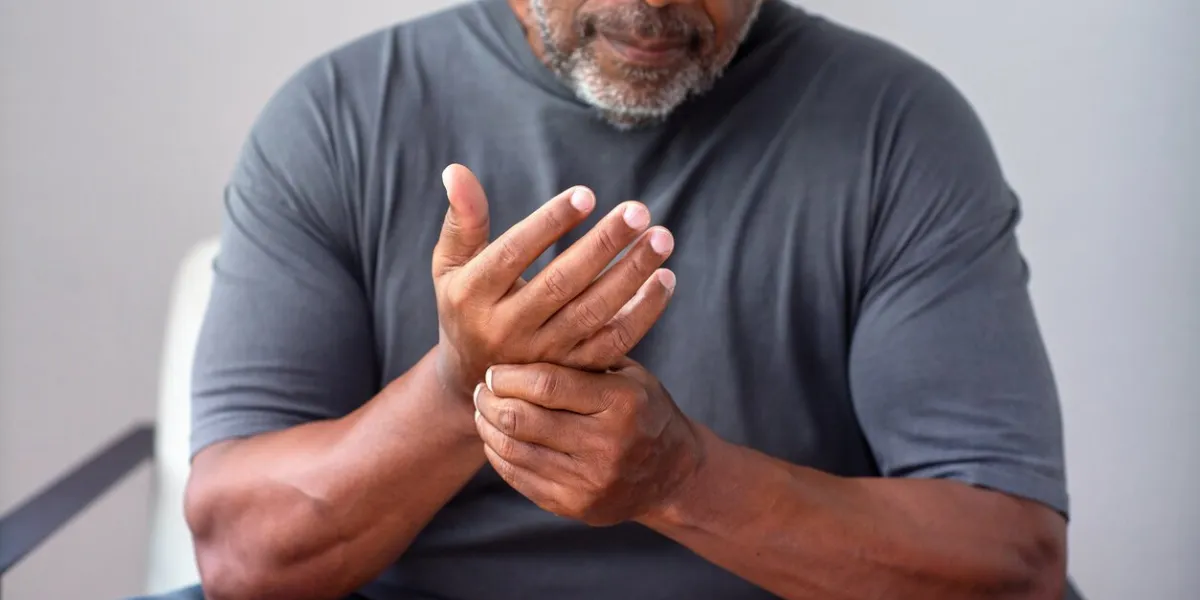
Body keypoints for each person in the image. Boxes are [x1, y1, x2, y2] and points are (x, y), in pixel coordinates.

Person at [154, 0, 1072, 598]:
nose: (649, 4)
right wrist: (456, 387)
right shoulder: (337, 117)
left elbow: (1011, 566)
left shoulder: (897, 128)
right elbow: (245, 556)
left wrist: (683, 480)